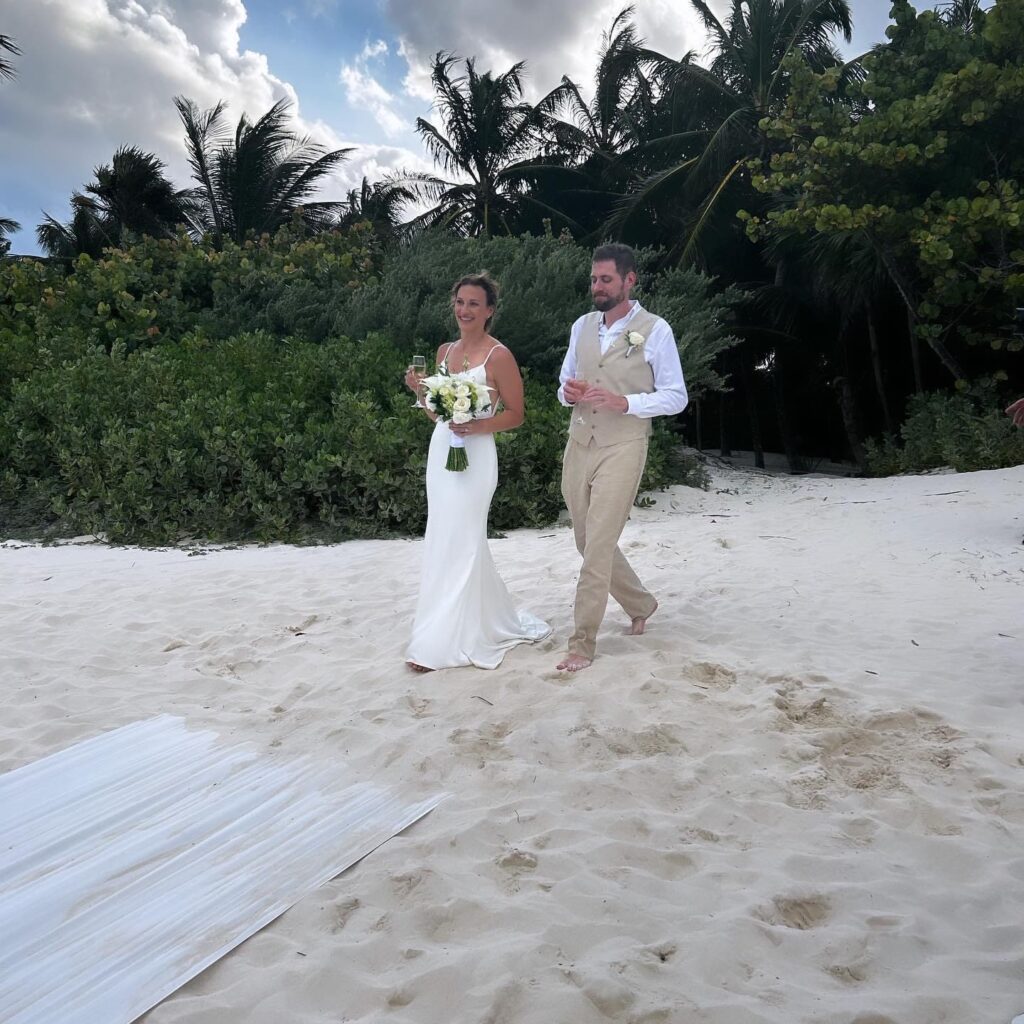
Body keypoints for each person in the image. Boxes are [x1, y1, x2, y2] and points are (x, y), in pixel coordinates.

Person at [403, 273, 550, 672]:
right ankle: (443, 625)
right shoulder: (444, 350)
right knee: (441, 535)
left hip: (477, 454)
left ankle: (448, 641)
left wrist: (478, 426)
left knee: (465, 537)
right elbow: (437, 412)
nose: (464, 310)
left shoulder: (498, 356)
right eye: (459, 302)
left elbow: (516, 414)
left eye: (473, 304)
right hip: (442, 452)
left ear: (489, 311)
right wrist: (420, 391)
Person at [557, 243, 688, 673]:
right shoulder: (581, 326)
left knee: (597, 546)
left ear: (629, 280)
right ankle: (640, 602)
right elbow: (563, 385)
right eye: (594, 279)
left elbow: (676, 396)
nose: (597, 286)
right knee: (583, 538)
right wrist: (568, 392)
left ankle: (582, 643)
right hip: (579, 441)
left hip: (624, 444)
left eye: (606, 279)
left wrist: (625, 403)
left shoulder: (657, 330)